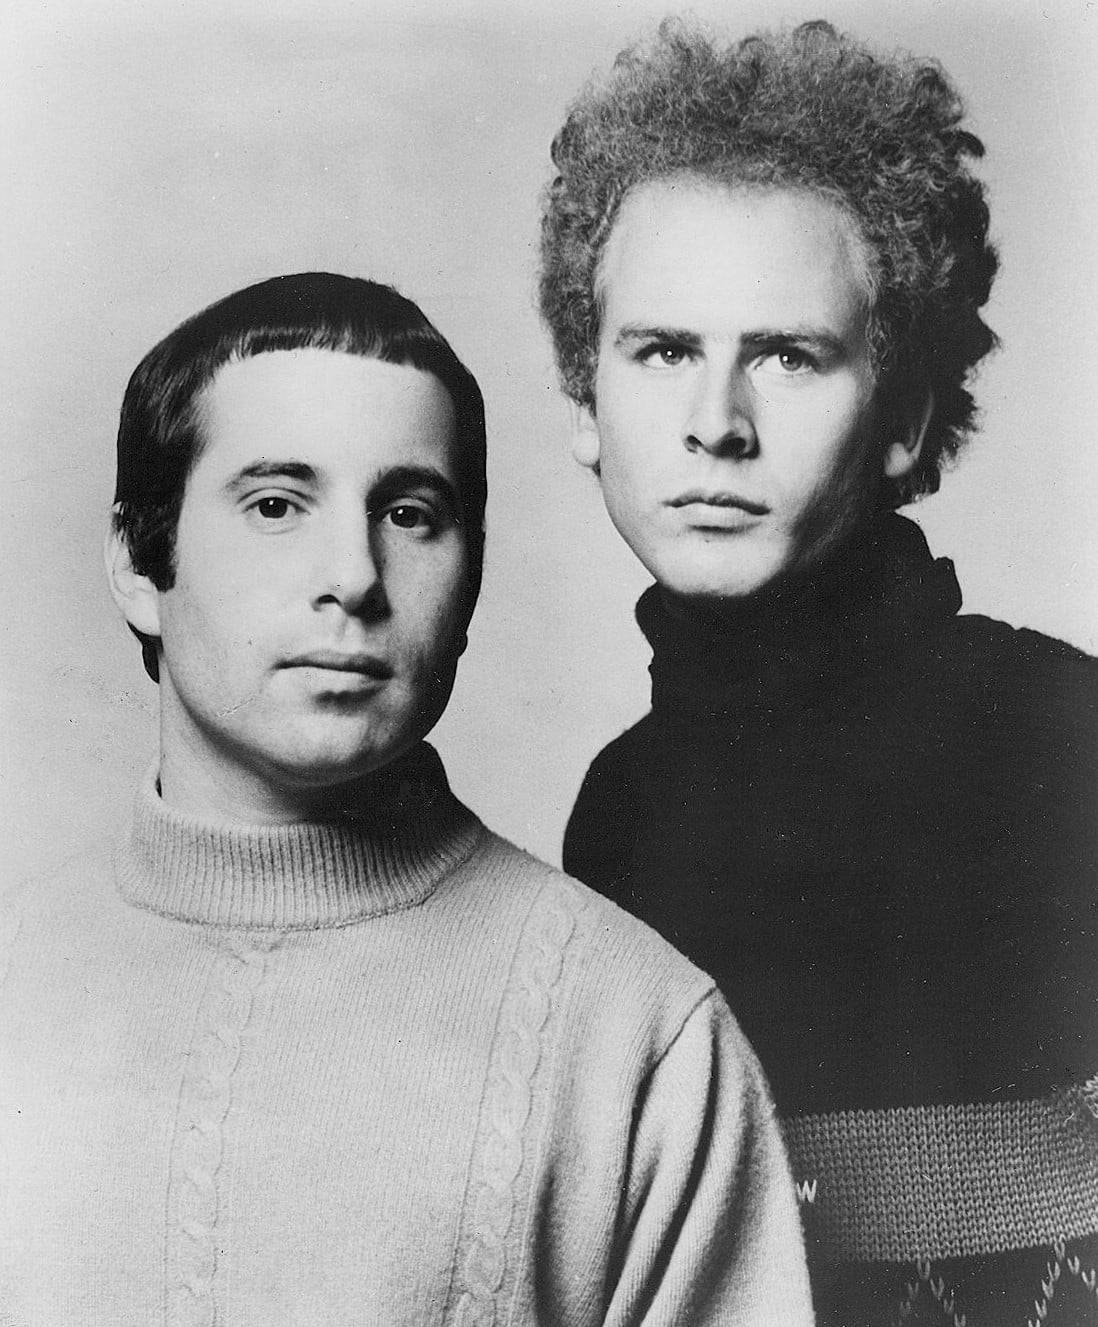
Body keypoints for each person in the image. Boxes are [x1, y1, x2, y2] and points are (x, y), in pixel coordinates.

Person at [0, 273, 813, 1325]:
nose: (354, 574)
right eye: (276, 505)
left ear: (471, 577)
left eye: (410, 514)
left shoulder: (639, 1034)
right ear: (134, 560)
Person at [538, 20, 1098, 1327]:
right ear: (585, 403)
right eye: (662, 350)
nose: (715, 425)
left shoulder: (1062, 735)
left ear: (904, 417)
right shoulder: (618, 806)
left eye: (787, 355)